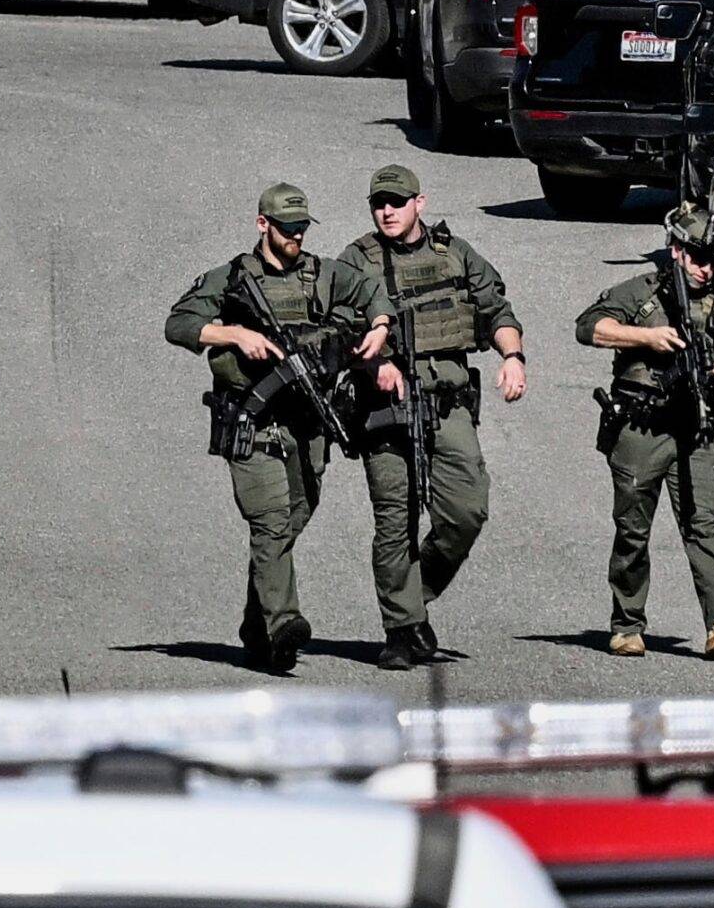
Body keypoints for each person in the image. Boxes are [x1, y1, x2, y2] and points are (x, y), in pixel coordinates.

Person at [164, 182, 399, 674]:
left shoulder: (326, 275)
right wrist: (234, 333)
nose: (295, 237)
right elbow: (180, 323)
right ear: (262, 225)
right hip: (253, 422)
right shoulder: (231, 278)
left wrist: (378, 327)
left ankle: (256, 623)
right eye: (287, 228)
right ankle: (283, 624)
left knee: (295, 516)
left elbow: (375, 295)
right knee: (270, 521)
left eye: (301, 228)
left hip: (308, 423)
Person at [333, 165, 525, 671]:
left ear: (421, 202)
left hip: (446, 402)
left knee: (467, 510)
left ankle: (414, 596)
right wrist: (376, 361)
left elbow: (498, 312)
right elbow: (335, 328)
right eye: (379, 203)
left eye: (397, 201)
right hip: (383, 408)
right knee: (395, 517)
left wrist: (513, 357)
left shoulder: (455, 253)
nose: (388, 211)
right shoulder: (356, 260)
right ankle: (400, 629)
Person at [574, 204, 714, 660]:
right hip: (643, 426)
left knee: (704, 524)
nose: (707, 268)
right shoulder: (642, 293)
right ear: (676, 251)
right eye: (700, 257)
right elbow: (588, 327)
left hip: (695, 427)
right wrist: (646, 338)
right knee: (633, 530)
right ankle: (627, 624)